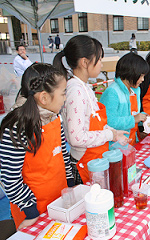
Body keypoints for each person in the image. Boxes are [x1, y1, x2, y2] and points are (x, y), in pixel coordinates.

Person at [0, 63, 74, 230]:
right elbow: (10, 179)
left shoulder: (54, 117)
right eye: (63, 93)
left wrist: (70, 184)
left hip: (59, 202)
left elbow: (63, 154)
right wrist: (30, 210)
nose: (65, 98)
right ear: (44, 97)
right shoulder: (18, 127)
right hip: (33, 211)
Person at [53, 35, 128, 185]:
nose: (101, 64)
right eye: (99, 60)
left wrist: (113, 132)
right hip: (83, 163)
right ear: (85, 62)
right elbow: (77, 138)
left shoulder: (84, 87)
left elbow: (94, 122)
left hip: (94, 160)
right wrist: (109, 134)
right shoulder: (75, 90)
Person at [100, 53, 149, 146]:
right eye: (141, 76)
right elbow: (108, 121)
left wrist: (141, 117)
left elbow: (132, 113)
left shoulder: (135, 90)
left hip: (131, 140)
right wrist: (133, 119)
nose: (143, 79)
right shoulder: (112, 92)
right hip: (115, 146)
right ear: (131, 73)